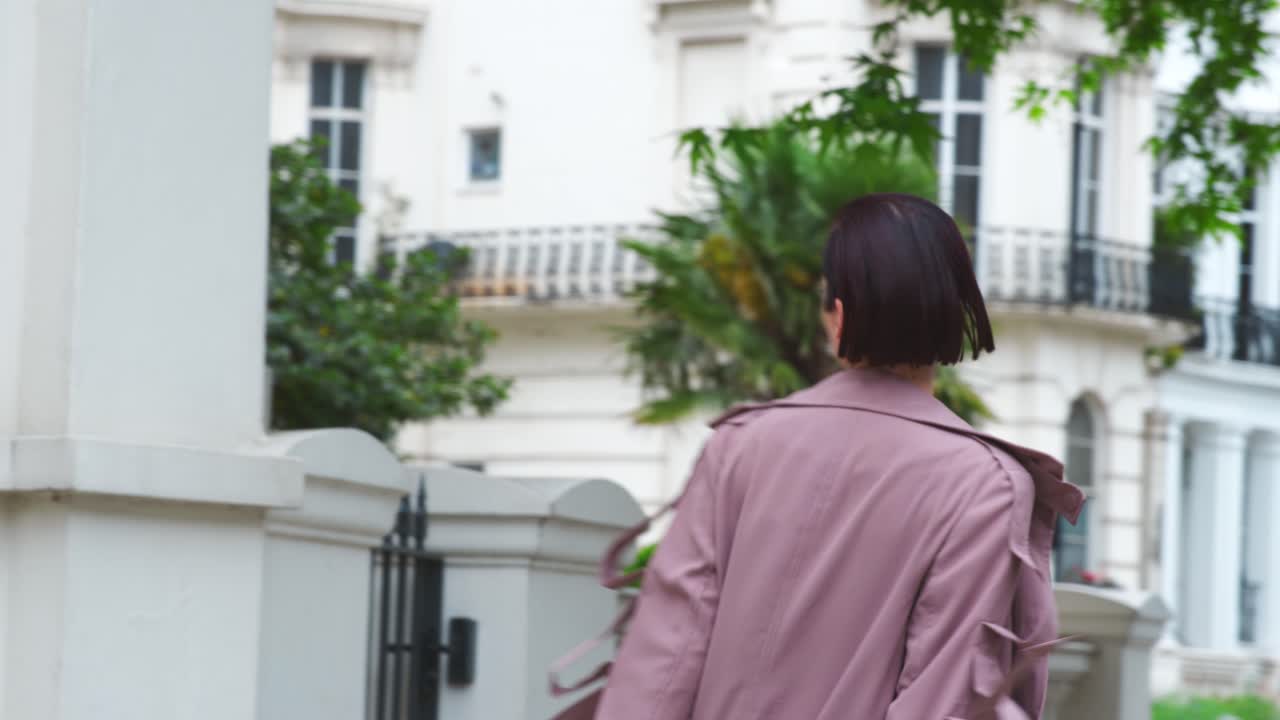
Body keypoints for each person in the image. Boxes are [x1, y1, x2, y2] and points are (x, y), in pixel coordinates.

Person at [595, 193, 1085, 719]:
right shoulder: (986, 484)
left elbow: (663, 660)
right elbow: (945, 699)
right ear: (958, 311)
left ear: (839, 315)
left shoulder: (738, 445)